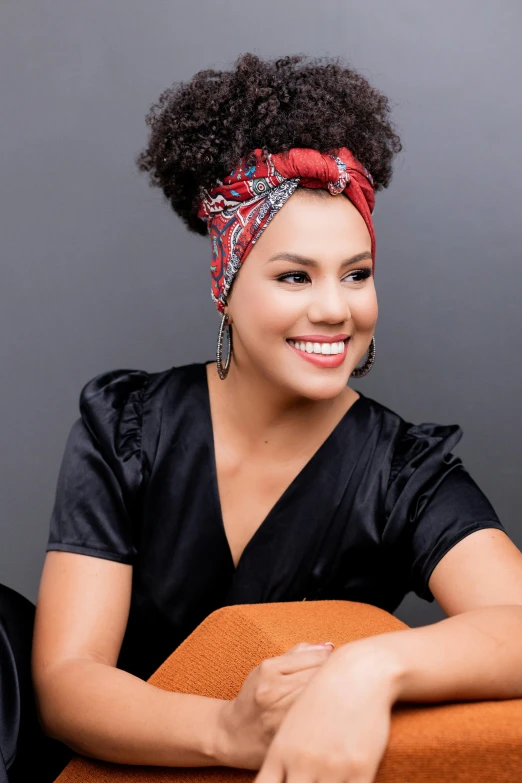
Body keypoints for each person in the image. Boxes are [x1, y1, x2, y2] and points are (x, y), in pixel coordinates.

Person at [3, 52, 522, 782]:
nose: (335, 308)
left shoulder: (404, 470)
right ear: (227, 282)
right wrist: (226, 729)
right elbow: (64, 682)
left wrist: (367, 669)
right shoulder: (126, 427)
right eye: (293, 275)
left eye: (357, 273)